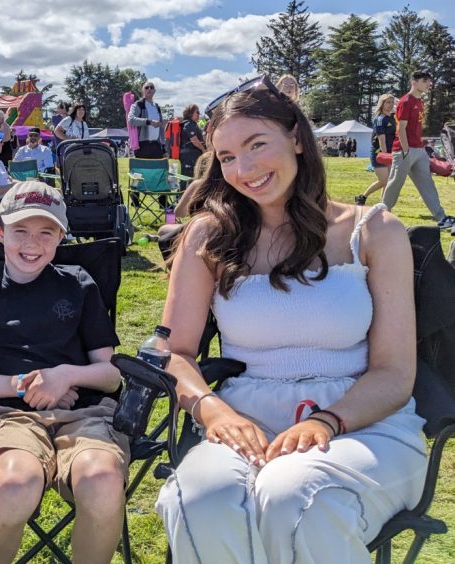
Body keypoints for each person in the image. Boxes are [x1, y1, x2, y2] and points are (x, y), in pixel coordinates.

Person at [155, 75, 428, 563]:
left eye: (257, 144)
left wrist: (327, 421)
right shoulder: (208, 237)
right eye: (228, 157)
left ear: (297, 138)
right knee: (197, 499)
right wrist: (212, 411)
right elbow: (173, 352)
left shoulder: (374, 231)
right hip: (246, 419)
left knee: (293, 493)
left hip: (364, 424)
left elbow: (394, 373)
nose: (244, 168)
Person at [0, 181, 129, 563]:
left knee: (103, 481)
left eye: (46, 232)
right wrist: (26, 387)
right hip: (10, 417)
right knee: (14, 486)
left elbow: (110, 375)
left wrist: (63, 376)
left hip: (86, 414)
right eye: (20, 231)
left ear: (61, 236)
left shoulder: (78, 283)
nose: (32, 244)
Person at [381, 70, 455, 230]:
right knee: (395, 184)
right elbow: (401, 128)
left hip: (419, 151)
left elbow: (414, 128)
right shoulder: (405, 101)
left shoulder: (420, 102)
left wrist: (420, 144)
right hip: (404, 150)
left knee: (427, 184)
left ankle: (441, 218)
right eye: (425, 81)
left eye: (429, 81)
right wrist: (406, 150)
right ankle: (380, 217)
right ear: (414, 82)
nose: (429, 84)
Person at [127, 83, 165, 158]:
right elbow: (130, 120)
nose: (149, 89)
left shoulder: (157, 107)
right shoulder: (138, 104)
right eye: (146, 87)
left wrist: (164, 148)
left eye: (151, 87)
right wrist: (149, 122)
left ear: (154, 91)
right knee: (142, 169)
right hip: (142, 146)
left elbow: (161, 128)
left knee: (158, 169)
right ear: (142, 90)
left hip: (156, 146)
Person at [178, 104, 206, 189]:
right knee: (189, 179)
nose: (198, 114)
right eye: (197, 112)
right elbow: (194, 140)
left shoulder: (192, 124)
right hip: (189, 156)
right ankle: (183, 198)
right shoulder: (189, 124)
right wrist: (204, 150)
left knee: (192, 178)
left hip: (190, 156)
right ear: (190, 113)